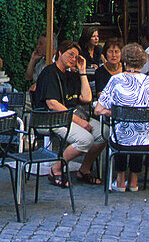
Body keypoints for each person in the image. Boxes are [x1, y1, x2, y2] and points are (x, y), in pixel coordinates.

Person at [94, 43, 149, 192]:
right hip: (147, 142)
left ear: (124, 61)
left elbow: (98, 110)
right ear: (143, 63)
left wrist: (117, 113)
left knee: (122, 130)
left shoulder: (116, 80)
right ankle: (134, 181)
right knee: (140, 131)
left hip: (121, 139)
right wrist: (146, 114)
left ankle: (121, 180)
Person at [34, 40, 107, 187]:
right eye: (70, 55)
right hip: (51, 118)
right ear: (60, 53)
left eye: (76, 56)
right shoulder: (50, 73)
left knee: (104, 132)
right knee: (85, 139)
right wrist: (80, 122)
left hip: (73, 116)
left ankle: (84, 170)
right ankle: (56, 170)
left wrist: (82, 71)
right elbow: (52, 104)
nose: (73, 59)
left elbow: (86, 98)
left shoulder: (72, 75)